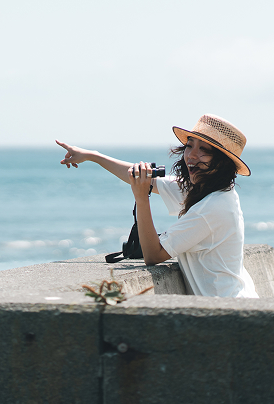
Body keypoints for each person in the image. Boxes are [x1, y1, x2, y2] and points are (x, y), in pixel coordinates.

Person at [56, 114, 258, 298]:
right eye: (190, 145)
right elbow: (143, 178)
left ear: (222, 163)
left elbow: (153, 255)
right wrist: (93, 156)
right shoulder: (208, 189)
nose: (191, 155)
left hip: (228, 310)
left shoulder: (213, 206)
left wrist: (142, 199)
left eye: (204, 149)